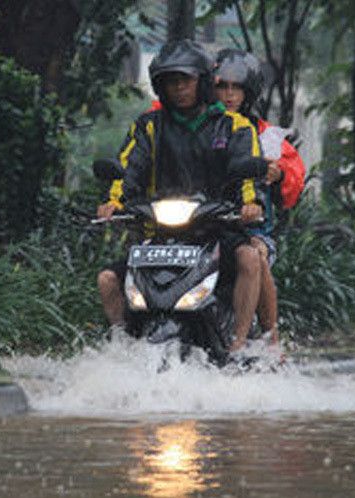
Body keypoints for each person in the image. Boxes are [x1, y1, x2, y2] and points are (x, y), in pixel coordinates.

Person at [95, 39, 272, 353]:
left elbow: (247, 172)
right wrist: (114, 202)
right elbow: (129, 167)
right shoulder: (148, 127)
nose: (178, 88)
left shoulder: (234, 126)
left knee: (249, 257)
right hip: (160, 235)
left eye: (185, 80)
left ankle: (239, 342)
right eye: (170, 81)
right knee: (108, 280)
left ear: (202, 82)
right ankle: (123, 348)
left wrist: (251, 203)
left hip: (218, 231)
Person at [213, 48, 306, 349]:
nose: (228, 95)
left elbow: (292, 182)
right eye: (222, 86)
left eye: (236, 88)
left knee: (258, 255)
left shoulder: (265, 134)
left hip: (250, 229)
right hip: (203, 224)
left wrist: (278, 176)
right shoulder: (198, 125)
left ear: (247, 92)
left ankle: (270, 341)